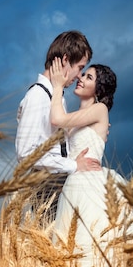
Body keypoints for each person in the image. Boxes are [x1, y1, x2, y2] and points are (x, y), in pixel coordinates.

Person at [49, 58, 133, 267]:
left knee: (91, 247)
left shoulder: (100, 110)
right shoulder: (77, 115)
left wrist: (58, 85)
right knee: (68, 252)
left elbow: (57, 119)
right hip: (73, 185)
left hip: (91, 185)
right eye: (83, 75)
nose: (80, 78)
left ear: (99, 89)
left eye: (88, 77)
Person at [15, 31, 102, 218]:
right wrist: (73, 165)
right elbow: (25, 154)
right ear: (65, 60)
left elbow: (56, 143)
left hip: (60, 182)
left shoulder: (56, 96)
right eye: (80, 67)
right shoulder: (38, 96)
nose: (79, 75)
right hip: (48, 187)